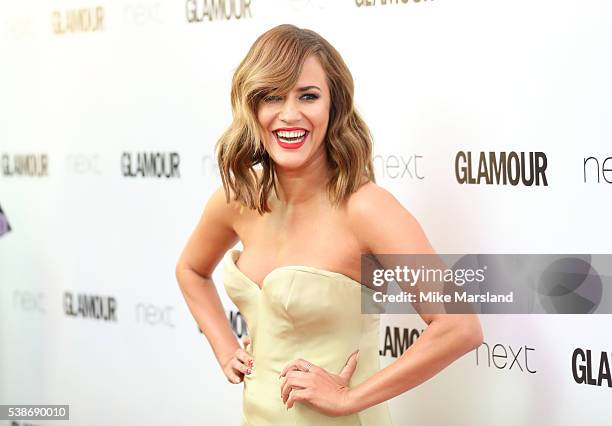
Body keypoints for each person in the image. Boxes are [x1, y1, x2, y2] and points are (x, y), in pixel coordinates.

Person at [175, 24, 483, 425]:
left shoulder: (366, 209)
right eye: (272, 96)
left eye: (308, 96)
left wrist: (348, 398)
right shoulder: (239, 199)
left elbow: (460, 327)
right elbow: (191, 270)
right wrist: (223, 346)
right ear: (252, 106)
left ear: (333, 106)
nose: (289, 114)